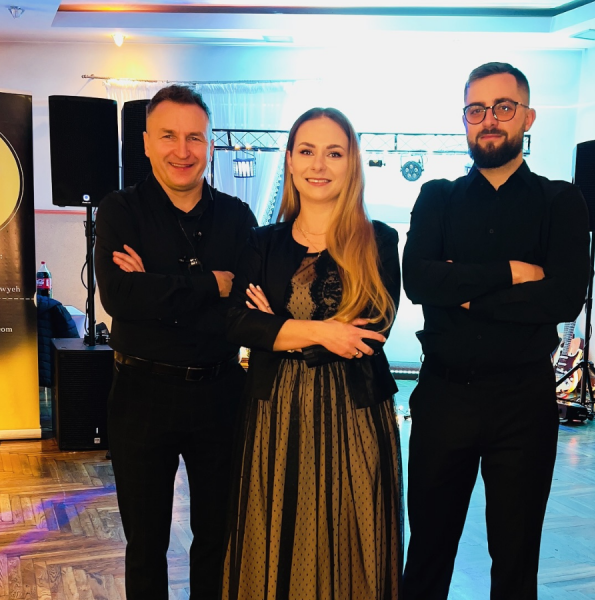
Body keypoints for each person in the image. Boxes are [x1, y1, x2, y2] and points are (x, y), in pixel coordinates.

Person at [402, 62, 590, 600]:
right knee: (428, 552)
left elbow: (563, 297)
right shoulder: (437, 196)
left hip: (522, 401)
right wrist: (511, 273)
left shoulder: (560, 201)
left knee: (515, 557)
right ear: (464, 119)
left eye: (503, 107)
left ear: (527, 117)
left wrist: (462, 290)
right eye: (476, 109)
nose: (489, 120)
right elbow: (418, 281)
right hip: (444, 396)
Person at [222, 107, 403, 600]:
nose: (318, 164)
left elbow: (370, 334)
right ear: (289, 159)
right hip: (274, 412)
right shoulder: (262, 242)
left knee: (350, 535)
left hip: (355, 414)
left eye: (333, 153)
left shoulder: (379, 240)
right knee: (276, 532)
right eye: (306, 151)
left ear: (352, 163)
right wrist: (323, 330)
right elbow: (237, 322)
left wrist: (278, 326)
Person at [94, 85, 257, 600]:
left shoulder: (237, 217)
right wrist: (211, 284)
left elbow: (242, 311)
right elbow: (120, 297)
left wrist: (157, 286)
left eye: (194, 137)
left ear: (209, 144)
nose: (182, 150)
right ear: (146, 142)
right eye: (168, 136)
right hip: (140, 394)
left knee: (217, 537)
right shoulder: (119, 210)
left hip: (220, 393)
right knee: (145, 544)